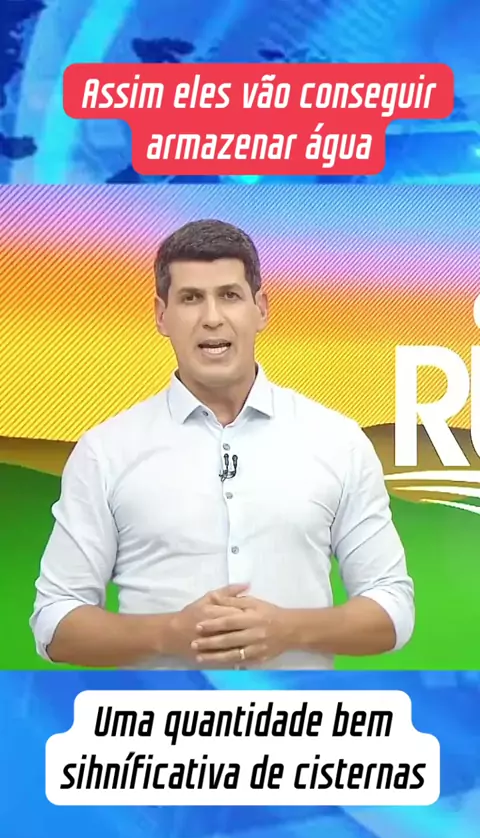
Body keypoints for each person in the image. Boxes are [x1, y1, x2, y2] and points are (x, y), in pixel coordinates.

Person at [30, 218, 414, 670]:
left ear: (261, 309)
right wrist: (168, 635)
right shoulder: (105, 452)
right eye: (191, 298)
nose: (212, 317)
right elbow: (54, 621)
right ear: (161, 316)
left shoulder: (337, 441)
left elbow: (393, 608)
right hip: (156, 717)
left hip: (299, 716)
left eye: (229, 295)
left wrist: (289, 629)